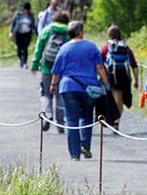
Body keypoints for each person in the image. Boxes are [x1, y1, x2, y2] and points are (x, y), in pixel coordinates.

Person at [50, 20, 107, 161]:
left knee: (71, 120)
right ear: (80, 32)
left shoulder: (63, 48)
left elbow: (56, 70)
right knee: (87, 117)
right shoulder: (91, 46)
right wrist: (106, 83)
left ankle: (74, 154)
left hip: (68, 87)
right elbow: (99, 67)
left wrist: (53, 84)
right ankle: (85, 146)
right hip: (89, 88)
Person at [31, 11, 71, 129]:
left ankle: (47, 115)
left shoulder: (47, 30)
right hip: (63, 69)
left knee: (45, 93)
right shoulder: (69, 31)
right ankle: (60, 123)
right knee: (60, 95)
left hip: (47, 67)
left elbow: (39, 48)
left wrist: (34, 65)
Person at [100, 25, 139, 120]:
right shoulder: (126, 48)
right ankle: (117, 120)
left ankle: (113, 119)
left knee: (112, 97)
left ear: (109, 35)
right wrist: (136, 80)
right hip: (123, 77)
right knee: (119, 99)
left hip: (110, 77)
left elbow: (99, 64)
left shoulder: (105, 47)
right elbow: (134, 66)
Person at [10, 3, 37, 69]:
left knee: (25, 48)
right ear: (23, 9)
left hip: (27, 34)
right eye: (26, 10)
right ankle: (21, 60)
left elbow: (34, 25)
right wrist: (11, 32)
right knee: (19, 49)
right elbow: (13, 23)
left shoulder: (31, 16)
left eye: (28, 10)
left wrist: (36, 33)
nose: (27, 11)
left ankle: (24, 63)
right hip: (18, 34)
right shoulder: (18, 15)